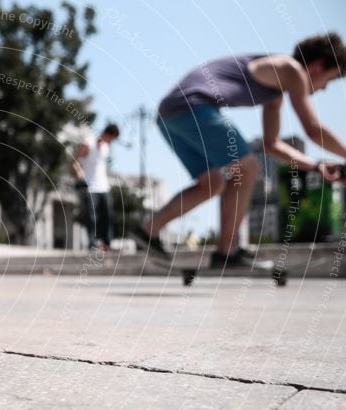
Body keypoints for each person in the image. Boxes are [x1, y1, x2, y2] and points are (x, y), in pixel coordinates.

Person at [132, 33, 346, 267]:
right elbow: (313, 129)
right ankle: (227, 254)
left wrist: (316, 166)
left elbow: (271, 144)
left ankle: (148, 230)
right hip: (193, 106)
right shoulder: (291, 68)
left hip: (170, 114)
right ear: (317, 66)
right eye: (330, 79)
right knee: (248, 169)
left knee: (212, 184)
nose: (324, 89)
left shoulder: (275, 93)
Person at [72, 124, 120, 250]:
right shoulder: (89, 142)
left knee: (107, 215)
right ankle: (92, 243)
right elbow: (75, 161)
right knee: (92, 217)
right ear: (108, 134)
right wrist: (79, 172)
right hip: (90, 187)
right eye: (112, 138)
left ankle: (107, 244)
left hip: (104, 186)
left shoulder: (106, 147)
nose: (112, 141)